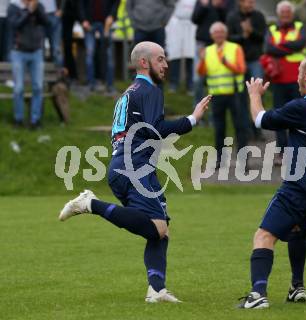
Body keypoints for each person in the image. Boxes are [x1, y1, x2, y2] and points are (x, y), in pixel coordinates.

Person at [58, 41, 211, 303]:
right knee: (157, 228)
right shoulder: (149, 90)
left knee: (162, 229)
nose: (165, 64)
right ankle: (90, 204)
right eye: (160, 59)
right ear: (144, 62)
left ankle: (156, 289)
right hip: (134, 168)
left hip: (127, 166)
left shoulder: (130, 92)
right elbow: (157, 129)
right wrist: (192, 119)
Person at [238, 56, 306, 309]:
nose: (297, 77)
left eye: (299, 72)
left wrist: (255, 94)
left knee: (264, 235)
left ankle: (257, 295)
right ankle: (297, 286)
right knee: (298, 229)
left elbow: (260, 119)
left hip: (302, 184)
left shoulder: (303, 107)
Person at [197, 21, 248, 167]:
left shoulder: (235, 48)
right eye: (216, 32)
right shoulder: (207, 51)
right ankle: (219, 160)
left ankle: (243, 160)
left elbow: (242, 69)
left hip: (234, 94)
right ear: (212, 35)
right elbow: (201, 72)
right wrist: (201, 61)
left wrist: (227, 63)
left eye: (221, 32)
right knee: (219, 129)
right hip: (216, 96)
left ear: (226, 34)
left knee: (240, 127)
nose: (219, 35)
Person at [263, 0, 306, 165]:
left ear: (292, 13)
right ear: (278, 14)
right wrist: (290, 47)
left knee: (299, 116)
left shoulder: (300, 27)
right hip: (279, 79)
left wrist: (280, 46)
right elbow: (268, 48)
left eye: (288, 12)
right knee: (279, 116)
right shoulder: (272, 29)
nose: (286, 15)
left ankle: (298, 152)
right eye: (283, 12)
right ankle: (282, 152)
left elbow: (301, 43)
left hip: (298, 80)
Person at [226, 0, 266, 141]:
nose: (250, 4)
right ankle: (244, 130)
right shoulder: (232, 17)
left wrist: (251, 32)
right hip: (239, 62)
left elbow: (262, 36)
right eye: (247, 2)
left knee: (257, 95)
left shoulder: (259, 16)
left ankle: (257, 129)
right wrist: (242, 35)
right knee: (241, 97)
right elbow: (228, 39)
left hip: (255, 60)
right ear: (240, 3)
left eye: (252, 2)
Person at [8, 0, 48, 129]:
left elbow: (46, 22)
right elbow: (15, 25)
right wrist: (29, 12)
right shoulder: (13, 7)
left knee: (37, 87)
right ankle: (18, 119)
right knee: (18, 88)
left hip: (36, 51)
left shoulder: (38, 6)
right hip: (18, 52)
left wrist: (36, 10)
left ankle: (35, 120)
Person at [191, 0, 228, 110]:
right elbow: (194, 19)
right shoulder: (202, 2)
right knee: (198, 79)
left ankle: (214, 113)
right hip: (202, 44)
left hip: (217, 44)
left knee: (214, 79)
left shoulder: (224, 2)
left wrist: (220, 8)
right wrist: (204, 6)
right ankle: (197, 111)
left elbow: (226, 20)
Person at [79, 0, 120, 94]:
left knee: (109, 54)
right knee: (89, 53)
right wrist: (83, 20)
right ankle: (91, 85)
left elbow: (116, 2)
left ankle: (110, 85)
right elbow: (80, 4)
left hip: (106, 24)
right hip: (89, 22)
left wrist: (112, 15)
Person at [165, 0, 196, 94]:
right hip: (176, 24)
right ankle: (173, 84)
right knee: (175, 55)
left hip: (192, 24)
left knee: (191, 56)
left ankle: (190, 85)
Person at [39, 0, 63, 67]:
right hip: (40, 15)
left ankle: (59, 72)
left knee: (56, 48)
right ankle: (39, 72)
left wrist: (61, 9)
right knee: (40, 47)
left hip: (54, 15)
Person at [61, 0, 78, 83]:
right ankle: (68, 74)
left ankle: (70, 74)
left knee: (67, 48)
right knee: (64, 49)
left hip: (67, 18)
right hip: (64, 18)